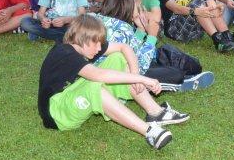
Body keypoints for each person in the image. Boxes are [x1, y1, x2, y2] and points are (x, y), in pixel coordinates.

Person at [37, 15, 188, 149]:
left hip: (72, 93)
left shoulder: (83, 46)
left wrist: (135, 74)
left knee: (117, 58)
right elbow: (98, 75)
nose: (99, 48)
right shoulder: (64, 52)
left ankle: (156, 112)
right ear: (82, 39)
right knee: (94, 86)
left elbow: (124, 47)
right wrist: (142, 79)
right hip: (56, 113)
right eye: (96, 43)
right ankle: (150, 132)